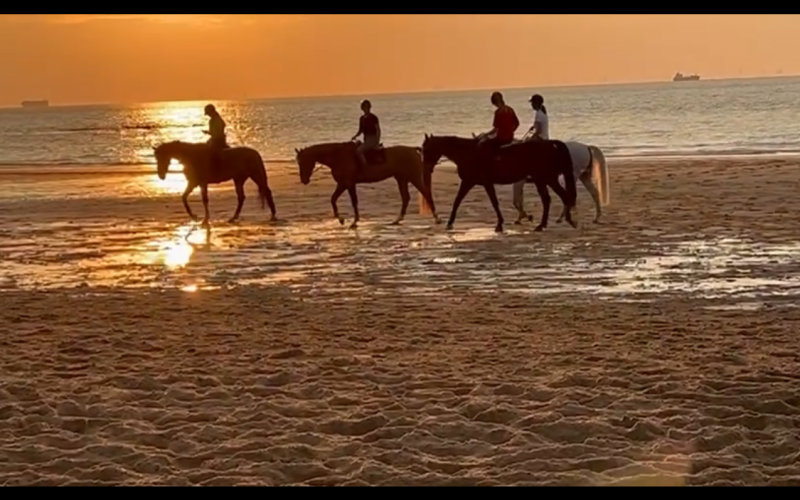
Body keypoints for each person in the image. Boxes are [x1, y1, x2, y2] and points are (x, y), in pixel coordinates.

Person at [515, 93, 550, 222]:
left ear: (535, 103)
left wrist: (532, 137)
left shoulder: (539, 114)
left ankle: (528, 173)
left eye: (532, 103)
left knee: (525, 148)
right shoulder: (543, 113)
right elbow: (538, 127)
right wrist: (533, 128)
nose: (531, 105)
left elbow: (539, 131)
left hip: (541, 139)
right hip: (545, 138)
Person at [476, 91, 519, 166]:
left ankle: (490, 163)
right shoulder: (510, 110)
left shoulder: (498, 112)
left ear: (494, 102)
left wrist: (485, 134)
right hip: (510, 137)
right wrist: (510, 131)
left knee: (484, 144)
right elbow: (517, 124)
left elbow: (495, 129)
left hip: (501, 138)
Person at [351, 99, 381, 169]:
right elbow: (360, 130)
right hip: (366, 139)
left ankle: (365, 167)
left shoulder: (373, 117)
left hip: (372, 139)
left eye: (367, 107)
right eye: (364, 108)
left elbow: (378, 130)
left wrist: (377, 141)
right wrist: (355, 136)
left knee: (359, 151)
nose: (365, 109)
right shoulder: (362, 118)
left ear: (369, 108)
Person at [203, 104, 228, 172]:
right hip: (218, 139)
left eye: (208, 113)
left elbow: (216, 133)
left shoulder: (213, 120)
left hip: (217, 140)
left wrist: (207, 132)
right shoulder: (218, 118)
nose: (208, 115)